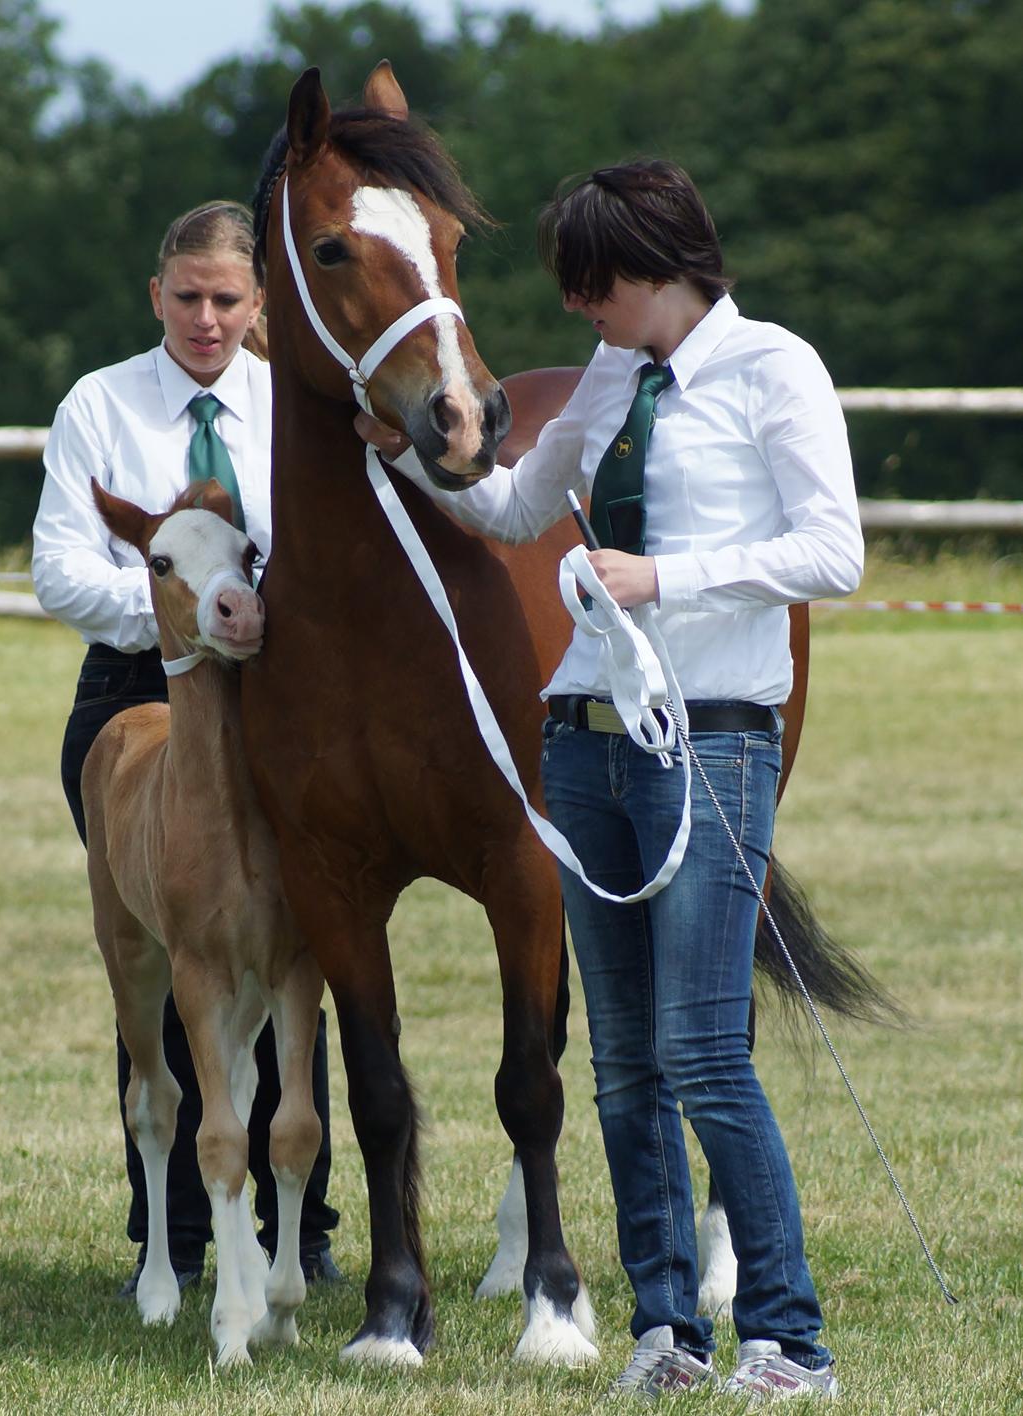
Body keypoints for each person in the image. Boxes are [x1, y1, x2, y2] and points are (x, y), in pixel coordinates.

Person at [358, 160, 861, 1401]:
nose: (578, 309)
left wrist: (665, 578)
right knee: (623, 1062)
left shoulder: (775, 370)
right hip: (581, 743)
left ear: (659, 268)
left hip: (713, 736)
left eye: (593, 286)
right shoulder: (610, 376)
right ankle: (666, 1330)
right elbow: (523, 508)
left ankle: (787, 1337)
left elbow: (834, 550)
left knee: (703, 1052)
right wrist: (415, 456)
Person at [33, 199, 341, 1295]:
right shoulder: (99, 404)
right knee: (165, 961)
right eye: (187, 297)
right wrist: (180, 604)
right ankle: (175, 1233)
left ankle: (302, 1229)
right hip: (136, 691)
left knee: (301, 948)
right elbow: (61, 571)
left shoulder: (293, 404)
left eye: (226, 300)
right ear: (155, 295)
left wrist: (241, 610)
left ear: (259, 304)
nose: (205, 319)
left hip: (279, 697)